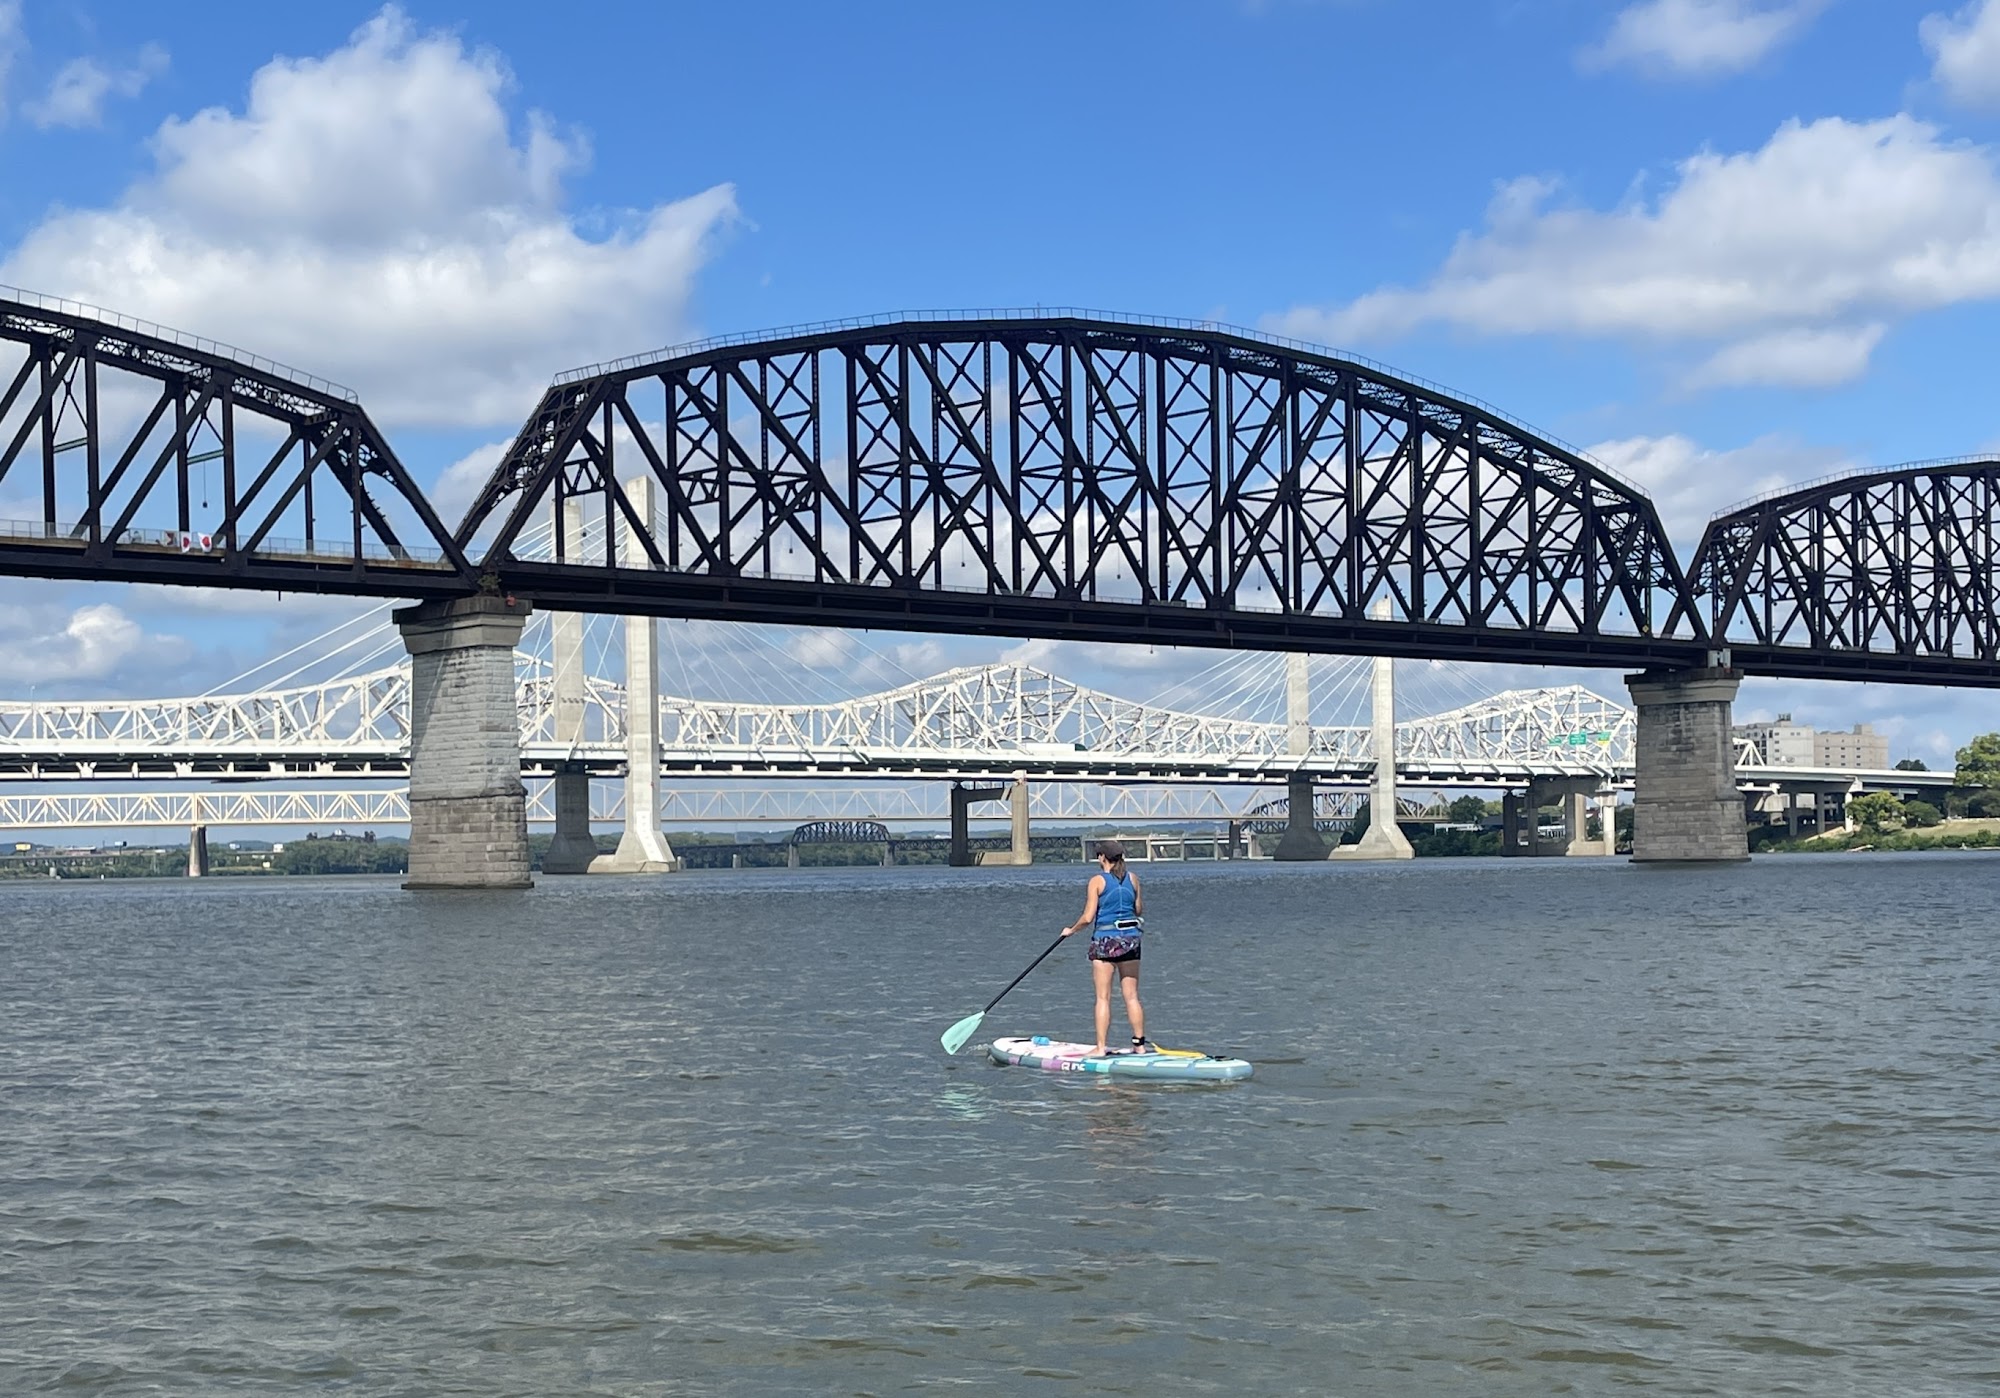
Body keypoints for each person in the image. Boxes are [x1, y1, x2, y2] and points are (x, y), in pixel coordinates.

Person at [1059, 839, 1151, 1055]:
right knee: (1131, 996)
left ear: (1102, 857)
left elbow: (1088, 917)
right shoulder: (1133, 879)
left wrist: (1070, 930)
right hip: (1131, 941)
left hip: (1105, 942)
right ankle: (1140, 1046)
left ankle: (1100, 1048)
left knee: (1103, 997)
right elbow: (1138, 910)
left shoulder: (1097, 881)